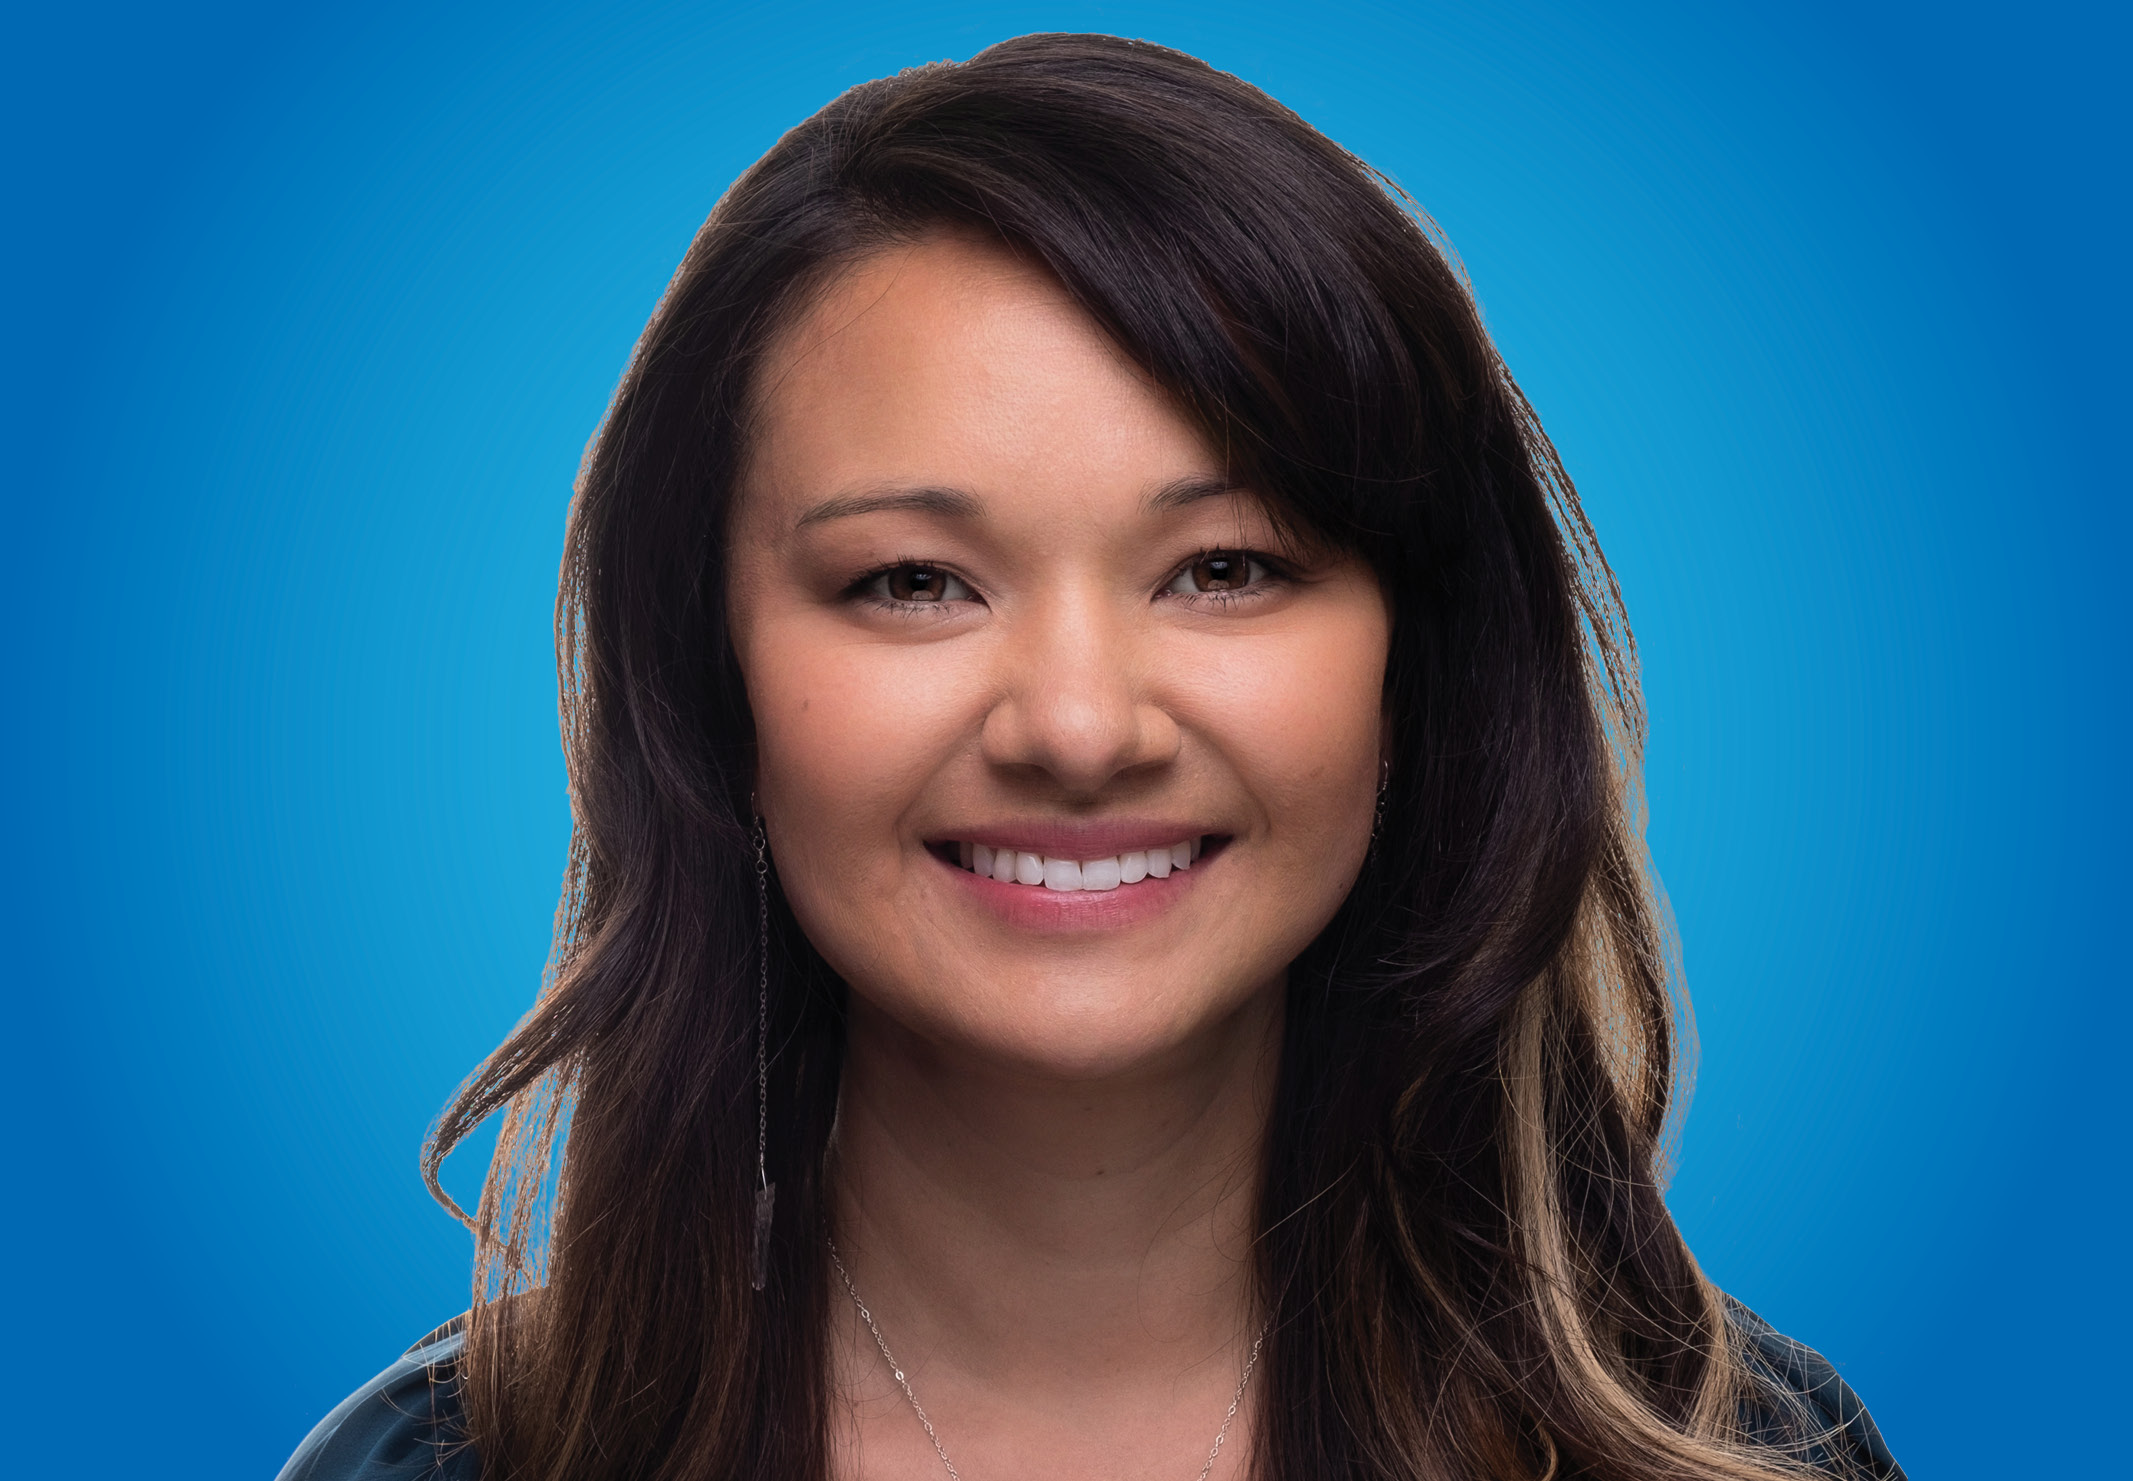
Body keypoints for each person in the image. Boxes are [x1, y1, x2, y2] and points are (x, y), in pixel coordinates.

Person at [279, 33, 1904, 1481]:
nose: (1074, 727)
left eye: (1224, 569)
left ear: (1420, 667)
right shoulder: (432, 1467)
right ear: (713, 684)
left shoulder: (1738, 1452)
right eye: (913, 582)